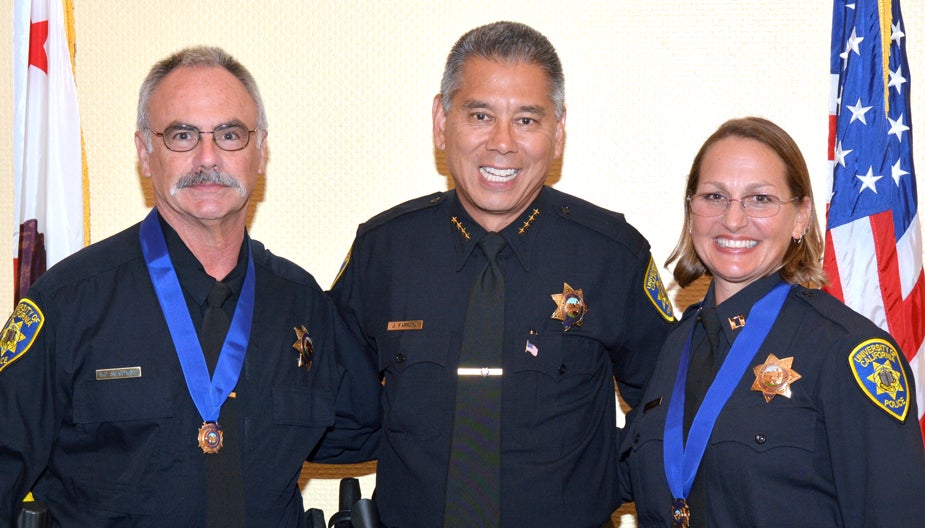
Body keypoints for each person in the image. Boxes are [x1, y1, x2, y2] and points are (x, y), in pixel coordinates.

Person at [0, 46, 380, 527]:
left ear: (261, 151)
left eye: (230, 134)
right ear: (145, 153)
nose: (208, 157)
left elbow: (376, 428)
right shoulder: (68, 303)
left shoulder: (301, 303)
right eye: (182, 135)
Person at [329, 21, 675, 527]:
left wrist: (606, 481)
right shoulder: (384, 252)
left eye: (527, 120)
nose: (502, 143)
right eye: (480, 115)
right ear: (441, 121)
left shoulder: (612, 256)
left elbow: (670, 406)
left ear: (558, 132)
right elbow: (334, 406)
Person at [620, 117, 925, 526]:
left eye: (760, 199)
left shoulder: (845, 350)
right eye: (714, 196)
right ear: (691, 212)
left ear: (800, 217)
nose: (733, 220)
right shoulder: (674, 346)